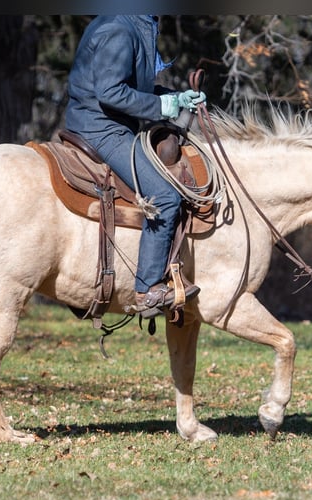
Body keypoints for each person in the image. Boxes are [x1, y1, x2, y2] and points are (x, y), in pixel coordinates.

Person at [64, 15, 206, 318]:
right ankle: (148, 291)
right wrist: (160, 108)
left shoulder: (134, 23)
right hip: (102, 129)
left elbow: (132, 87)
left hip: (108, 125)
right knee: (166, 196)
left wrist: (175, 99)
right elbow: (110, 92)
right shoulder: (118, 28)